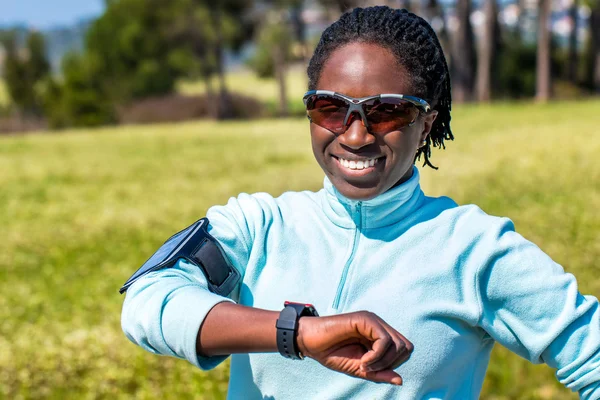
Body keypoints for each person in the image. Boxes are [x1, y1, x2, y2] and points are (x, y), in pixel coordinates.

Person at [120, 6, 600, 399]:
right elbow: (147, 302)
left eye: (387, 111)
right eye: (330, 107)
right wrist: (300, 333)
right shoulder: (258, 225)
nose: (355, 135)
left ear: (426, 124)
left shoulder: (476, 249)